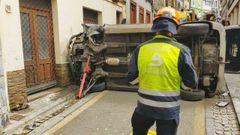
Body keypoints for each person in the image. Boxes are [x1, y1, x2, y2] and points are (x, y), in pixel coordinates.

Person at [127, 6, 198, 135]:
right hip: (168, 111)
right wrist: (179, 84)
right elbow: (191, 82)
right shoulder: (181, 51)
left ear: (155, 27)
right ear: (175, 28)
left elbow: (131, 79)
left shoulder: (140, 49)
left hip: (144, 109)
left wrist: (145, 80)